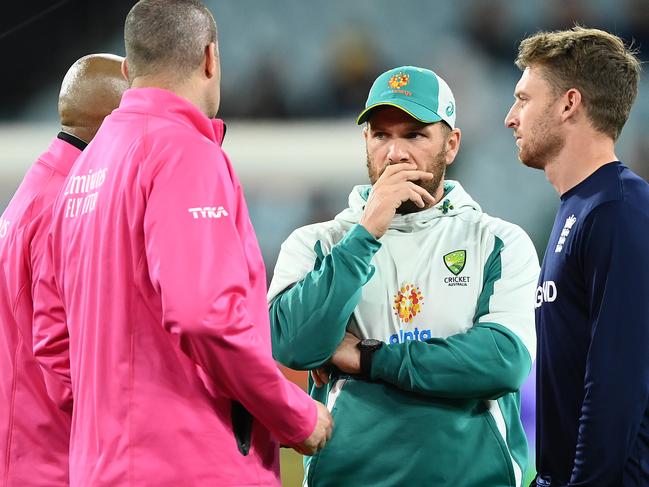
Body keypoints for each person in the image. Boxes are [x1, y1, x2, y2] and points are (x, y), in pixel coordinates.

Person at [33, 1, 332, 485]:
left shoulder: (82, 172)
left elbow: (50, 340)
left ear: (129, 70)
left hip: (100, 467)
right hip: (190, 465)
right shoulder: (185, 152)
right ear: (211, 58)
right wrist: (293, 413)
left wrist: (114, 422)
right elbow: (203, 314)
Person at [268, 65, 540, 487]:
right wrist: (365, 234)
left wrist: (367, 357)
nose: (395, 153)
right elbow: (291, 345)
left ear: (450, 145)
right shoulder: (317, 243)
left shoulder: (499, 242)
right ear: (365, 141)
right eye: (381, 135)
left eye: (414, 135)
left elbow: (503, 361)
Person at [505, 27, 649, 486]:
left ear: (569, 104)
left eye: (524, 99)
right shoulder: (583, 207)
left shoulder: (619, 210)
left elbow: (616, 381)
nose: (511, 117)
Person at [0, 53, 127, 486]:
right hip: (48, 458)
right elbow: (61, 360)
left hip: (24, 444)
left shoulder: (41, 188)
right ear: (113, 120)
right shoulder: (68, 205)